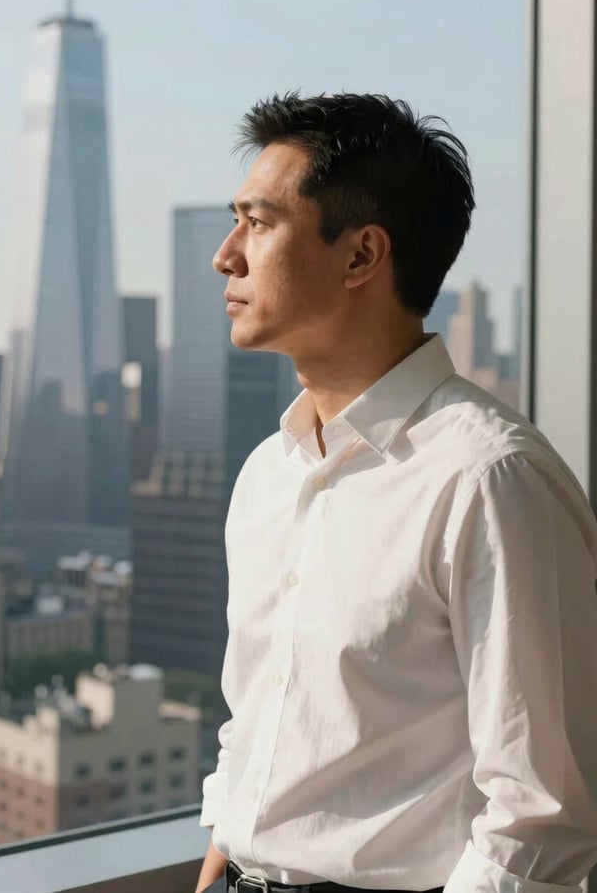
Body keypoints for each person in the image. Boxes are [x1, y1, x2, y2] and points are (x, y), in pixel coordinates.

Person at [194, 92, 597, 893]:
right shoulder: (268, 472)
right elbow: (255, 729)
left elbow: (541, 816)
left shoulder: (488, 478)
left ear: (360, 256)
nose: (226, 255)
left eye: (259, 222)